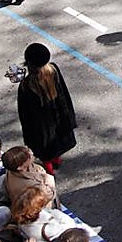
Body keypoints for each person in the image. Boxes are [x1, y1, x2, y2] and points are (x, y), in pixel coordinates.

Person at [17, 43, 78, 173]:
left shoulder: (26, 85)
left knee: (46, 152)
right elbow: (64, 94)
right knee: (57, 144)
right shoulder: (53, 70)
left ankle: (50, 169)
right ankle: (57, 160)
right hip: (58, 119)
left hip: (41, 128)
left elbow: (25, 114)